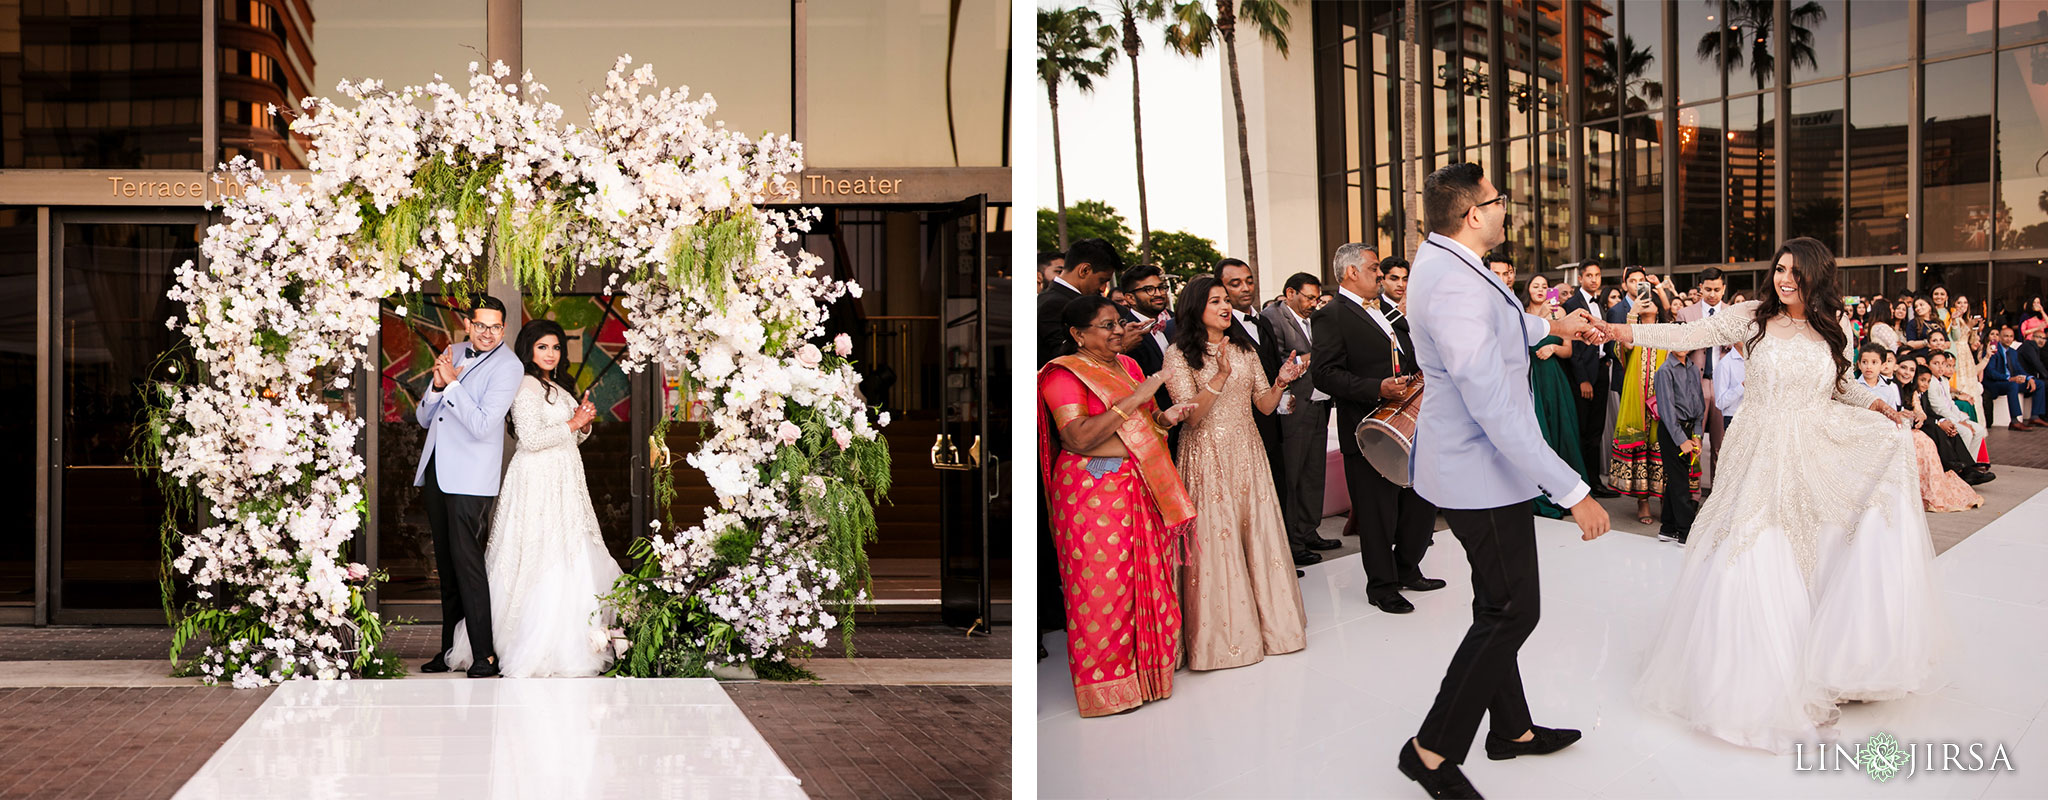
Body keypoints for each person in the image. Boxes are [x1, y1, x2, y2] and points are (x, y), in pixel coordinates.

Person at [1599, 237, 1943, 754]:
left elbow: (1841, 385)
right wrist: (1622, 328)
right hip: (1757, 450)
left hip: (1815, 445)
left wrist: (1880, 406)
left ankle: (1823, 659)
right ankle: (1749, 674)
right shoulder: (1752, 316)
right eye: (1780, 269)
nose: (1784, 279)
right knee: (1755, 548)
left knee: (1816, 544)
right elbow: (1688, 331)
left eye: (1796, 273)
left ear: (1816, 279)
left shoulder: (1834, 327)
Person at [1398, 162, 1610, 799]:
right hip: (1478, 472)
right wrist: (1571, 489)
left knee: (1497, 602)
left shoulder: (1451, 264)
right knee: (1514, 609)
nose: (1504, 208)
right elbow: (1491, 400)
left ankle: (1510, 731)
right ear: (1472, 214)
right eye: (1497, 200)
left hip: (1473, 467)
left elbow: (1504, 327)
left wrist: (1554, 325)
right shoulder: (1454, 281)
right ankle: (1431, 750)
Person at [1037, 294, 1199, 716]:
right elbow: (1078, 439)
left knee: (1149, 578)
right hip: (1092, 497)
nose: (1117, 332)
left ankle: (1149, 676)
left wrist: (1166, 417)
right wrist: (1136, 397)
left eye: (1117, 323)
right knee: (1101, 589)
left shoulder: (1127, 366)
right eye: (1106, 326)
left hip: (1139, 483)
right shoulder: (1063, 376)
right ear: (1078, 334)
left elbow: (1145, 426)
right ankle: (1107, 689)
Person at [445, 320, 623, 677]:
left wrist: (583, 424)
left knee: (569, 550)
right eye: (542, 347)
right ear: (529, 350)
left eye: (555, 347)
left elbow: (569, 437)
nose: (550, 353)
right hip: (536, 481)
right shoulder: (525, 386)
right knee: (537, 553)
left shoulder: (555, 385)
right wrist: (573, 424)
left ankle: (570, 635)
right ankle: (527, 642)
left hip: (563, 477)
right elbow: (529, 439)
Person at [1163, 275, 1310, 670]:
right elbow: (1190, 418)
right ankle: (1221, 642)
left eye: (1226, 300)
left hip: (1248, 449)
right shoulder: (1179, 355)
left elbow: (1263, 405)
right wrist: (1220, 375)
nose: (1226, 307)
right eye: (1215, 301)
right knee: (1217, 542)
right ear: (1196, 309)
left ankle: (1274, 630)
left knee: (1257, 534)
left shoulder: (1244, 348)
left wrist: (1281, 381)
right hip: (1205, 454)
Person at [1312, 245, 1444, 615]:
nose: (1380, 275)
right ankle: (1382, 586)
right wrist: (1376, 388)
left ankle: (1408, 569)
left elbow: (1409, 356)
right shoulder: (1332, 315)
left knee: (1418, 505)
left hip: (1412, 423)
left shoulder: (1388, 313)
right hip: (1370, 431)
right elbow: (1324, 373)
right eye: (1373, 269)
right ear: (1351, 272)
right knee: (1377, 513)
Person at [414, 295, 524, 679]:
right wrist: (436, 387)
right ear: (467, 324)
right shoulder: (454, 350)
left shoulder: (509, 367)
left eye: (496, 327)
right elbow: (425, 417)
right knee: (446, 568)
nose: (488, 334)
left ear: (503, 329)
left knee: (469, 567)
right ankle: (449, 651)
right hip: (436, 473)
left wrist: (454, 384)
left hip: (472, 480)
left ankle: (484, 655)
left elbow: (481, 425)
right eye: (481, 326)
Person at [1216, 258, 1306, 565]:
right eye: (1235, 283)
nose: (1245, 288)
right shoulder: (1220, 327)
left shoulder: (1262, 320)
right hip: (1236, 424)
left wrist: (1283, 393)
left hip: (1268, 415)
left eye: (1249, 280)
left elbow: (1271, 368)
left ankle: (1276, 558)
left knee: (1274, 487)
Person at [1263, 271, 1341, 557]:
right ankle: (1293, 541)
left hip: (1319, 403)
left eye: (1316, 298)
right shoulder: (1273, 319)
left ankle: (1310, 531)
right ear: (1290, 293)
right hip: (1292, 407)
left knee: (1313, 472)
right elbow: (1279, 361)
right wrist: (1315, 357)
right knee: (1293, 474)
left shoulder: (1314, 320)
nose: (1312, 303)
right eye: (1308, 297)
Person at [1523, 276, 1592, 520]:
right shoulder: (1522, 313)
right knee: (1538, 433)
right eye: (1536, 286)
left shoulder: (1559, 312)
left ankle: (1569, 495)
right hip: (1529, 379)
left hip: (1554, 378)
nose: (1540, 290)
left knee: (1563, 431)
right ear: (1528, 289)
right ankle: (1539, 494)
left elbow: (1568, 349)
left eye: (1544, 286)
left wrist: (1553, 348)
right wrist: (1540, 316)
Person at [1610, 285, 1672, 525]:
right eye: (1641, 299)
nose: (1646, 302)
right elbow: (1623, 347)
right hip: (1635, 397)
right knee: (1640, 444)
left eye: (1650, 299)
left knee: (1663, 444)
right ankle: (1643, 502)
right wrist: (1632, 314)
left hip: (1662, 397)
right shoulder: (1632, 329)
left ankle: (1666, 499)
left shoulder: (1666, 331)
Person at [1562, 261, 1616, 498]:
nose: (1594, 279)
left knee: (1596, 431)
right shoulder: (1572, 305)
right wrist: (1583, 379)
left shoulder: (1601, 303)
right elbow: (1572, 343)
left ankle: (1594, 482)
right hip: (1583, 375)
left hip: (1602, 370)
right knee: (1582, 430)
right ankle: (1582, 485)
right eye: (1589, 276)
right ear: (1580, 278)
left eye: (1597, 275)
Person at [1901, 363, 1988, 512]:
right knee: (1936, 429)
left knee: (1950, 430)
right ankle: (1954, 466)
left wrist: (1942, 421)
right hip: (1913, 424)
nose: (1926, 384)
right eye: (1922, 380)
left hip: (1922, 421)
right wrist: (1938, 422)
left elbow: (1928, 412)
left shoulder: (1921, 393)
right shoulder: (1908, 391)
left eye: (1928, 381)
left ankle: (1967, 468)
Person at [1677, 268, 1730, 493]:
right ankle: (1693, 495)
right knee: (1694, 443)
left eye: (1717, 290)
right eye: (1708, 289)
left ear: (1724, 289)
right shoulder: (1686, 314)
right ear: (1700, 288)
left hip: (1723, 385)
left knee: (1722, 446)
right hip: (1695, 384)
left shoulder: (1732, 313)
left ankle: (1719, 495)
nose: (1712, 294)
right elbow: (1677, 351)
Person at [1037, 238, 1119, 366]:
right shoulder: (1053, 304)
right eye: (1102, 280)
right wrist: (1120, 344)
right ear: (1084, 270)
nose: (1103, 289)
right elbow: (1063, 359)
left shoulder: (1059, 299)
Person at [1651, 348, 1703, 544]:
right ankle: (1686, 531)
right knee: (1680, 481)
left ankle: (1668, 527)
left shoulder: (1692, 368)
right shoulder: (1665, 371)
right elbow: (1666, 410)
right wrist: (1681, 440)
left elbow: (1699, 405)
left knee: (1676, 479)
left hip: (1689, 430)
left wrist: (1696, 434)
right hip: (1672, 432)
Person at [1985, 324, 2045, 428]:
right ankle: (2014, 421)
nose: (2009, 339)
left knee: (2039, 383)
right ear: (1999, 337)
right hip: (1995, 384)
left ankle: (2035, 417)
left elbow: (2019, 369)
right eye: (2006, 336)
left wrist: (2029, 378)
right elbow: (1990, 372)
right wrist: (2009, 378)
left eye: (2011, 336)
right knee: (2013, 385)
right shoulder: (1994, 350)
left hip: (2010, 382)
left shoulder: (2013, 352)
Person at [1855, 344, 1902, 411]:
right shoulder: (1854, 387)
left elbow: (1892, 414)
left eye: (1874, 362)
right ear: (1859, 365)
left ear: (1883, 365)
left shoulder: (1888, 390)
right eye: (1864, 362)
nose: (1868, 366)